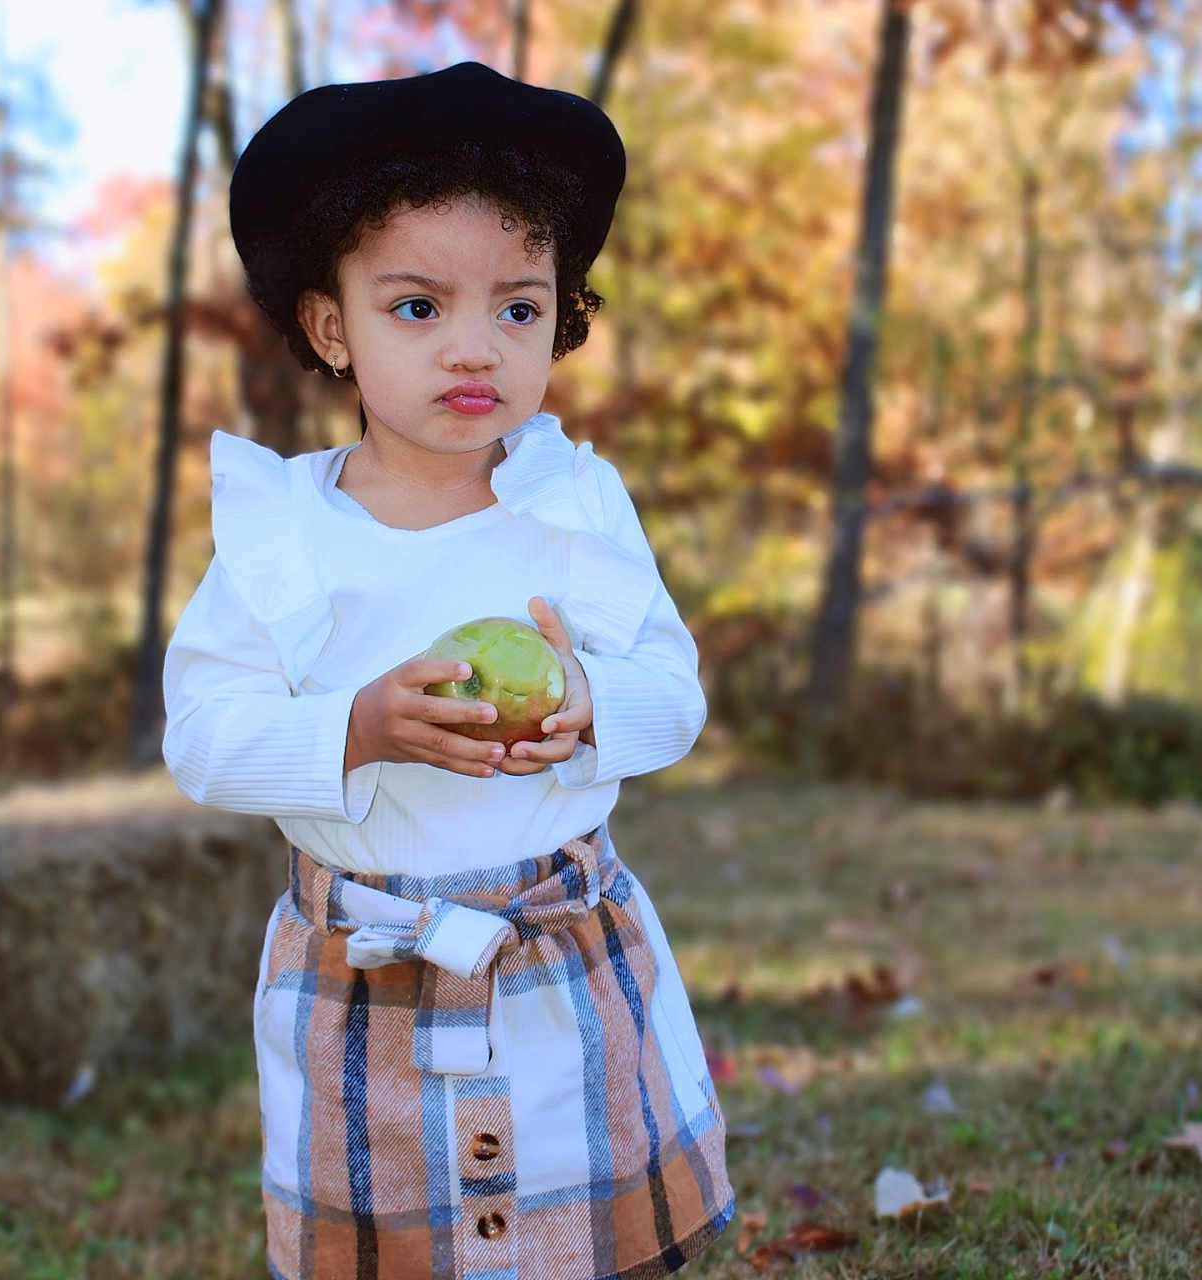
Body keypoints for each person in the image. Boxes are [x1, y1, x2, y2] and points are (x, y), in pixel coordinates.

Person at [162, 60, 734, 1280]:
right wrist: (354, 729)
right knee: (391, 1240)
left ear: (559, 319)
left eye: (517, 309)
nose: (474, 346)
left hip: (559, 948)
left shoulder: (573, 505)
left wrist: (594, 710)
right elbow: (201, 733)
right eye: (417, 307)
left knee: (587, 1225)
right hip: (362, 972)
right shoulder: (284, 530)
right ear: (334, 329)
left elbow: (674, 692)